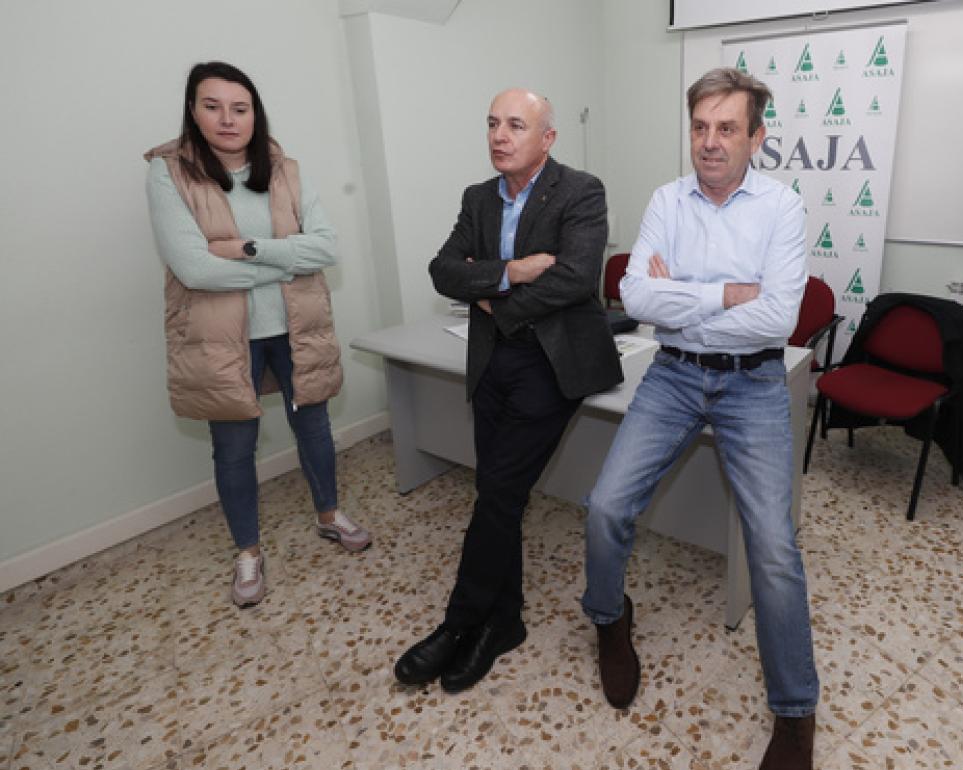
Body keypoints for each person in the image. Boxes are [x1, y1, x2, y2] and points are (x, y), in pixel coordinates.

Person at [581, 68, 819, 769]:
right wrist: (723, 296)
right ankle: (608, 617)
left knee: (774, 549)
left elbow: (778, 316)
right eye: (700, 127)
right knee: (603, 509)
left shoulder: (781, 207)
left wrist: (680, 290)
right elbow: (632, 295)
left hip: (754, 386)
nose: (710, 143)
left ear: (755, 136)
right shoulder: (667, 199)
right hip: (674, 375)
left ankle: (795, 710)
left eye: (726, 128)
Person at [394, 88, 623, 693]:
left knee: (496, 493)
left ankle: (459, 624)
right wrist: (511, 273)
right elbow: (443, 269)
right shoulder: (478, 197)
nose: (499, 135)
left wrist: (493, 299)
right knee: (500, 492)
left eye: (515, 125)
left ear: (547, 137)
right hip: (493, 357)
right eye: (493, 123)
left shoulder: (581, 191)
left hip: (553, 363)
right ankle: (505, 620)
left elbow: (575, 279)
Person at [144, 61, 371, 609]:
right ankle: (248, 551)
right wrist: (288, 260)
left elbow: (326, 247)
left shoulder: (284, 168)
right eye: (212, 106)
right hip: (221, 338)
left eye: (239, 108)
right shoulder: (168, 171)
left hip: (296, 324)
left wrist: (248, 249)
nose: (227, 118)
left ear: (254, 114)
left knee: (313, 424)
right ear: (193, 112)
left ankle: (328, 513)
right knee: (233, 447)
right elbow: (196, 270)